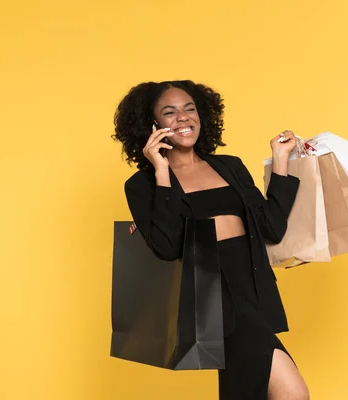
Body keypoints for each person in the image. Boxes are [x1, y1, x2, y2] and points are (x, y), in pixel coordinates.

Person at [112, 80, 310, 400]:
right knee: (292, 393)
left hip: (250, 289)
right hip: (208, 296)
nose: (183, 118)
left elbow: (271, 227)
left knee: (247, 392)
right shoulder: (141, 184)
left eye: (190, 109)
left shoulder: (228, 166)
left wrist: (281, 159)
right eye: (169, 112)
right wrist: (161, 172)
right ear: (153, 125)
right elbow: (166, 247)